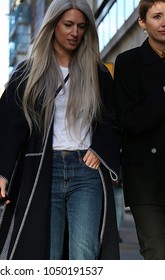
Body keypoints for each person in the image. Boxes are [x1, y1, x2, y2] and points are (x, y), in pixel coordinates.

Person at [0, 0, 120, 260]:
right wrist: (0, 174)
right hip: (44, 170)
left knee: (84, 252)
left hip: (85, 171)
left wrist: (100, 148)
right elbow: (10, 125)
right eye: (68, 25)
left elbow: (111, 119)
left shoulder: (97, 73)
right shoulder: (29, 73)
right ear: (53, 25)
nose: (75, 32)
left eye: (81, 26)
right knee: (46, 253)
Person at [114, 0, 165, 259]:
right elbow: (130, 121)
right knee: (158, 254)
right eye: (157, 16)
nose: (164, 22)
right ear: (143, 23)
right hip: (147, 179)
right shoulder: (128, 63)